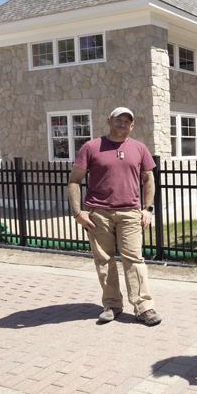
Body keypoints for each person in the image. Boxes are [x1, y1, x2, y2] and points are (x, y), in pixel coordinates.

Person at [68, 106, 162, 327]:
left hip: (130, 212)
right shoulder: (91, 147)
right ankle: (111, 305)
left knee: (134, 259)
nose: (122, 124)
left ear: (132, 125)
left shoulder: (139, 148)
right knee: (104, 260)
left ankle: (143, 307)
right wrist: (77, 213)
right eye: (118, 120)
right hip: (98, 213)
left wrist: (147, 209)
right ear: (109, 121)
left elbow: (149, 179)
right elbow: (74, 181)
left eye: (127, 121)